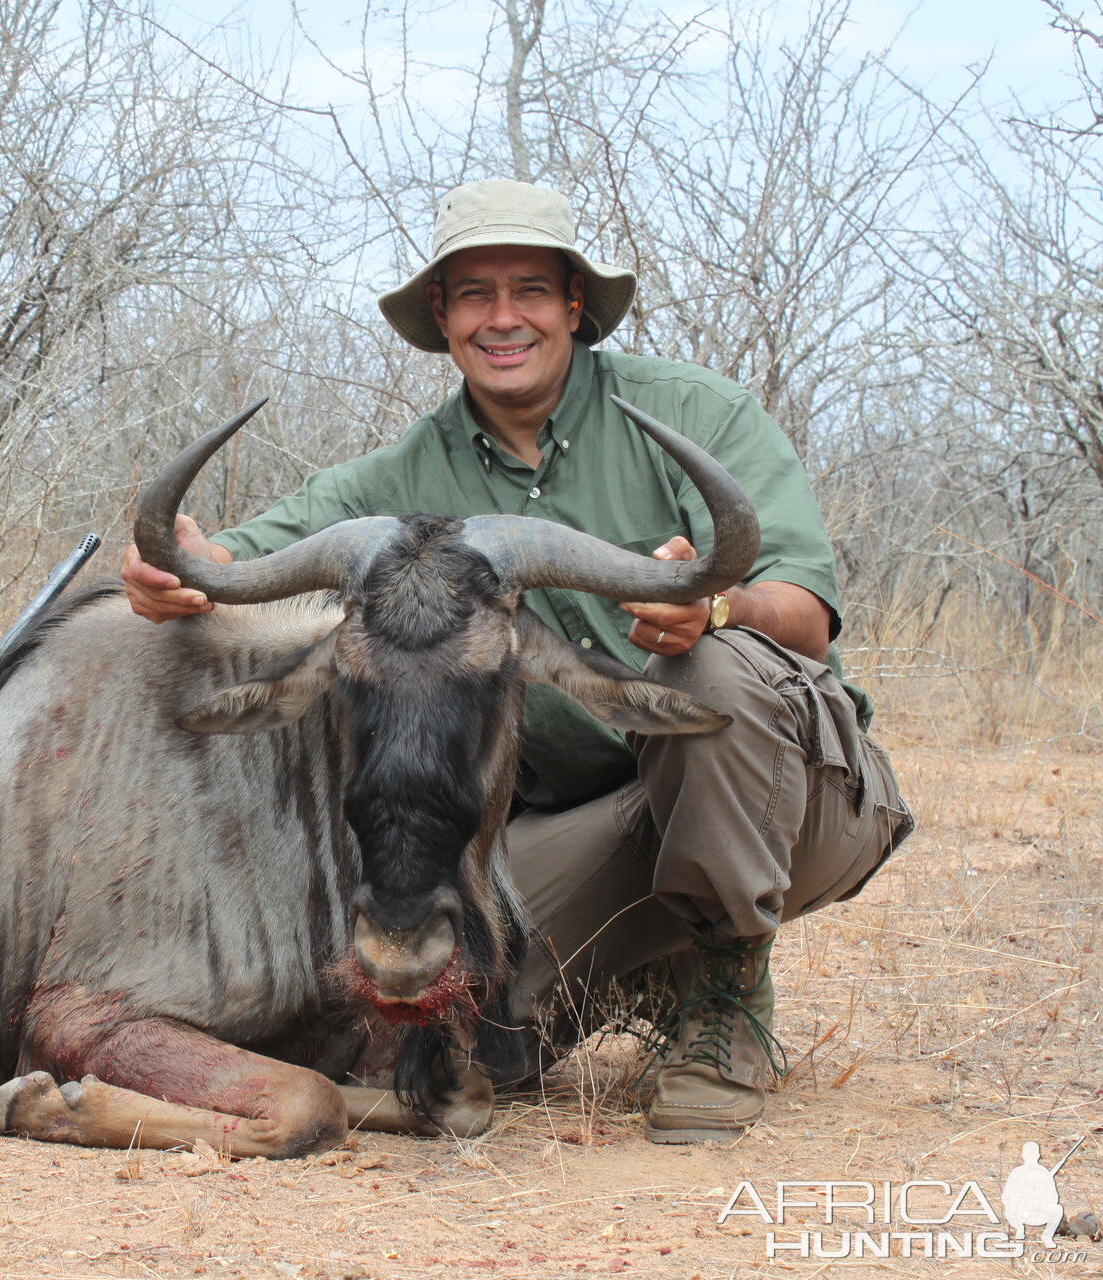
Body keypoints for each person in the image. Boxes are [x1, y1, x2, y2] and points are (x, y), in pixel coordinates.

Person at [120, 179, 915, 1143]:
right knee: (471, 1029)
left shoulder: (695, 411)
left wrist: (717, 604)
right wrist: (179, 573)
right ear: (444, 321)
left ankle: (727, 996)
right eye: (473, 295)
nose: (504, 318)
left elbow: (806, 612)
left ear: (574, 306)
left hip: (795, 803)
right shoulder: (404, 473)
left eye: (530, 290)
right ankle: (643, 964)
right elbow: (232, 556)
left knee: (707, 674)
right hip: (597, 818)